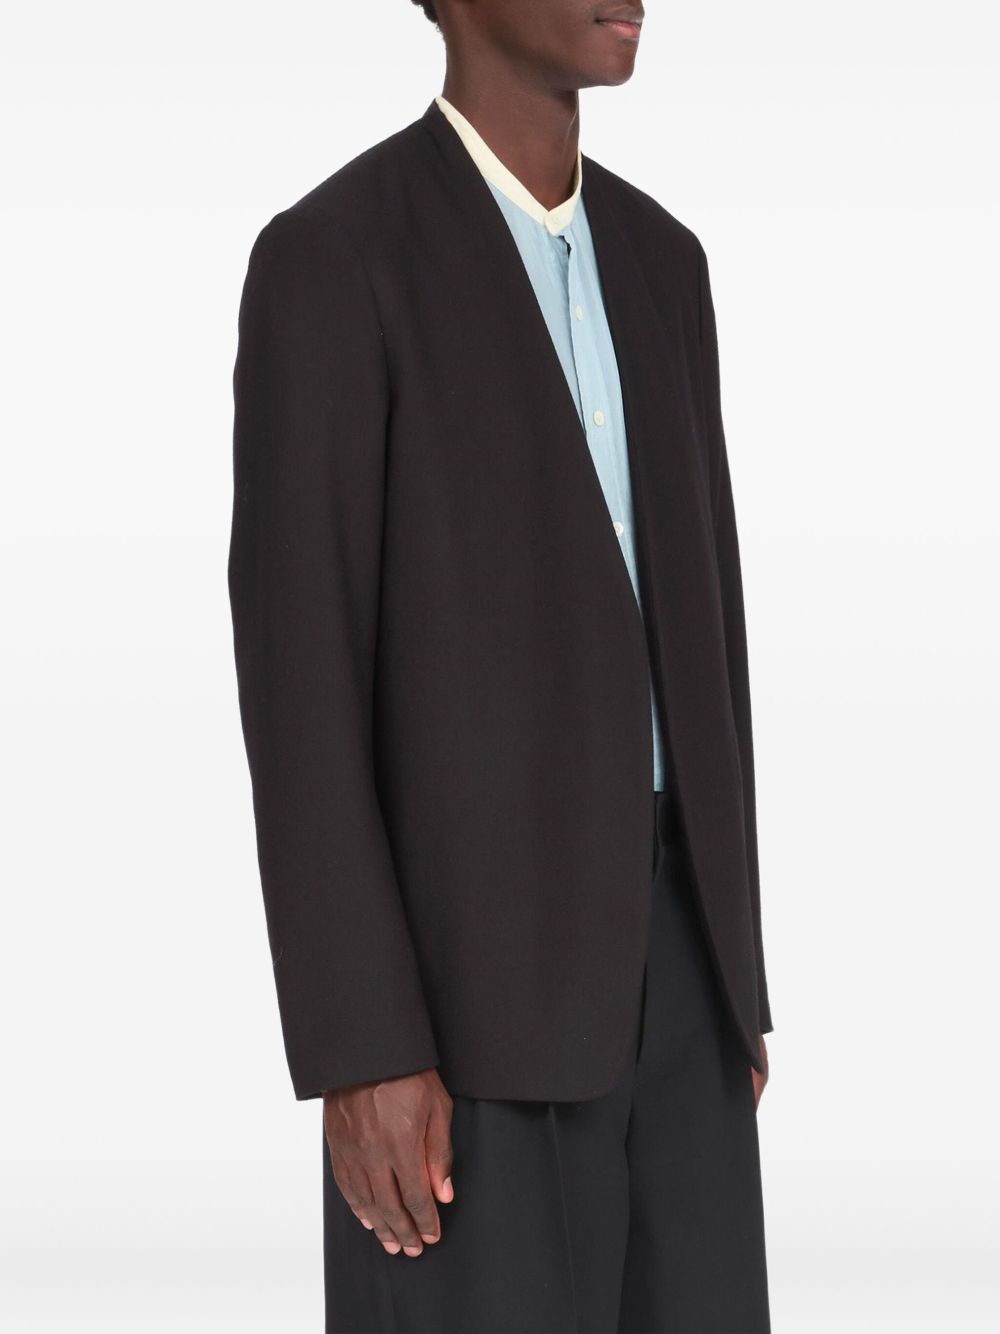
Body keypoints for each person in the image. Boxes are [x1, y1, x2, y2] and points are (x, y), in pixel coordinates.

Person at [228, 2, 774, 1329]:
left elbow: (712, 634)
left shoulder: (667, 264)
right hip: (460, 1012)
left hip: (684, 985)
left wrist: (735, 975)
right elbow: (299, 673)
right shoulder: (337, 259)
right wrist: (361, 1043)